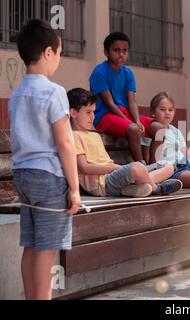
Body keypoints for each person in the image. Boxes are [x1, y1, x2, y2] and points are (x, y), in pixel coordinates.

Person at [8, 19, 80, 300]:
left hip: (24, 176)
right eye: (60, 53)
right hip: (50, 178)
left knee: (31, 245)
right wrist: (74, 189)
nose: (58, 59)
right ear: (48, 52)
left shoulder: (17, 94)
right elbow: (64, 142)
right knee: (47, 249)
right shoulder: (54, 92)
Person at [68, 88, 183, 197]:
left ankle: (136, 187)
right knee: (137, 167)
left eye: (93, 112)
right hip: (103, 183)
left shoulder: (94, 134)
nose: (92, 117)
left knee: (167, 166)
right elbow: (84, 168)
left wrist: (118, 168)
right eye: (88, 112)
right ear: (73, 113)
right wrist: (116, 167)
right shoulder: (73, 136)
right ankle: (157, 188)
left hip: (114, 174)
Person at [89, 32, 162, 164]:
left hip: (125, 113)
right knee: (134, 129)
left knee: (160, 129)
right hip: (105, 116)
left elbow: (132, 102)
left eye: (124, 50)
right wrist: (131, 123)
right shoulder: (99, 72)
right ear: (106, 52)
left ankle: (153, 165)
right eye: (116, 50)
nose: (121, 54)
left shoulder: (128, 73)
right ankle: (141, 166)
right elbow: (110, 104)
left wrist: (137, 120)